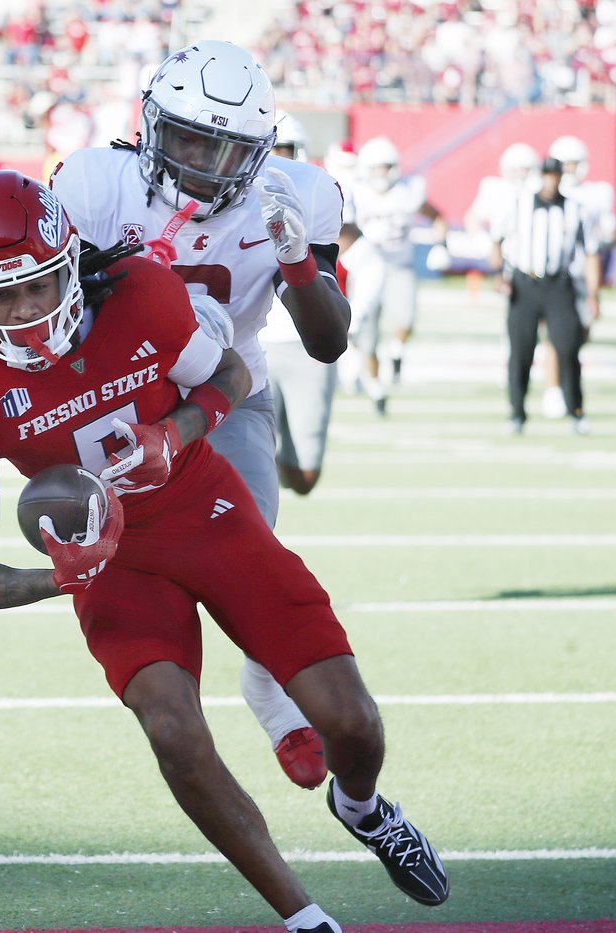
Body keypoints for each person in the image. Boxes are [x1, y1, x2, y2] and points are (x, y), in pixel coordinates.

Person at [0, 170, 449, 928]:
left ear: (70, 262)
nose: (23, 313)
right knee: (172, 728)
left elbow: (229, 370)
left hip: (202, 505)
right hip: (109, 556)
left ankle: (361, 806)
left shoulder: (139, 293)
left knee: (351, 722)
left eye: (38, 286)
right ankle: (305, 917)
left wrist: (174, 432)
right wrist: (59, 578)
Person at [49, 40, 352, 790]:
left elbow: (328, 340)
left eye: (227, 150)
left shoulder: (297, 193)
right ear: (151, 124)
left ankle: (272, 692)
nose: (202, 163)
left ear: (259, 152)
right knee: (135, 578)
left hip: (230, 386)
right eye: (188, 137)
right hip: (118, 395)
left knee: (250, 541)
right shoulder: (93, 182)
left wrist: (297, 263)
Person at [489, 157, 601, 436]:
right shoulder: (517, 204)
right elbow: (496, 239)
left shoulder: (576, 209)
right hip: (524, 284)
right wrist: (500, 273)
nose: (551, 181)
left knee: (568, 347)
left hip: (559, 285)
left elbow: (590, 252)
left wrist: (593, 294)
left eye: (555, 175)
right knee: (521, 351)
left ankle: (576, 410)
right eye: (547, 175)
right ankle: (516, 413)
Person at [259, 111, 339, 496]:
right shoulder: (227, 199)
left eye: (284, 150)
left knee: (306, 476)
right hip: (251, 347)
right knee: (249, 458)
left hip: (304, 345)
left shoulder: (320, 193)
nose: (276, 159)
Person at [341, 136, 449, 416]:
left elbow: (437, 216)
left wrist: (440, 245)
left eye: (386, 167)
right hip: (366, 268)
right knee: (365, 334)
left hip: (399, 266)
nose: (381, 173)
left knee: (406, 319)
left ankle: (397, 350)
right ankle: (376, 389)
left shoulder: (407, 192)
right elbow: (339, 229)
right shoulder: (355, 192)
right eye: (376, 167)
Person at [538, 134, 616, 419]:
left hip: (585, 276)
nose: (570, 170)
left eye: (574, 164)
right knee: (555, 335)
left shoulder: (597, 194)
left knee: (579, 335)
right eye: (565, 164)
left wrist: (607, 234)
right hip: (556, 277)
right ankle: (553, 390)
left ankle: (560, 374)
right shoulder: (542, 194)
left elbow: (612, 233)